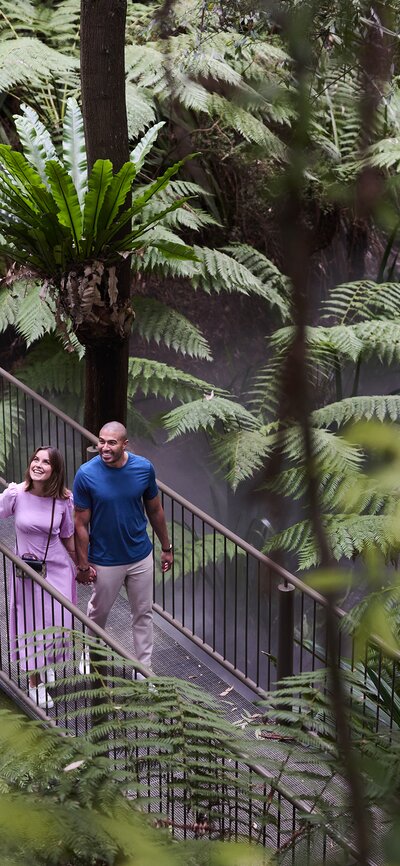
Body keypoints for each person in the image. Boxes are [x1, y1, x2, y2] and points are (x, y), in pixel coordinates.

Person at [73, 422, 173, 676]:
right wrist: (83, 564)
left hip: (140, 555)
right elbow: (80, 524)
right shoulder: (86, 474)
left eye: (111, 443)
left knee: (143, 613)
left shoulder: (143, 468)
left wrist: (166, 547)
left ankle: (144, 670)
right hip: (106, 559)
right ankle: (90, 653)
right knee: (98, 612)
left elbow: (155, 510)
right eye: (101, 441)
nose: (104, 447)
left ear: (125, 444)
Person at [0, 446, 77, 709]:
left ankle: (48, 663)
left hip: (57, 568)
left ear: (55, 470)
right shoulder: (16, 494)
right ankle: (35, 682)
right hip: (27, 572)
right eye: (35, 459)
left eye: (46, 462)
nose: (39, 464)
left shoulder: (64, 499)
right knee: (32, 625)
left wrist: (82, 564)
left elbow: (67, 536)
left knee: (60, 620)